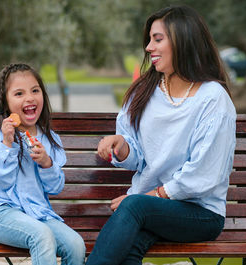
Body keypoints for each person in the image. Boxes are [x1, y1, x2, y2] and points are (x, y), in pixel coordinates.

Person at [86, 5, 236, 265]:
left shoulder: (212, 98)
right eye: (149, 40)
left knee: (133, 207)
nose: (148, 47)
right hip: (148, 210)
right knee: (129, 249)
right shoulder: (143, 91)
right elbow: (138, 156)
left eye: (158, 39)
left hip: (200, 213)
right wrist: (122, 147)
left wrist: (147, 197)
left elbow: (203, 175)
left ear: (183, 40)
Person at [0, 63, 85, 265]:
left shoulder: (50, 140)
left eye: (35, 90)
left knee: (75, 244)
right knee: (41, 235)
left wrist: (46, 163)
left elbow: (55, 187)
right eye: (19, 94)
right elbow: (0, 182)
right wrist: (8, 144)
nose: (29, 98)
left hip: (37, 213)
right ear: (5, 103)